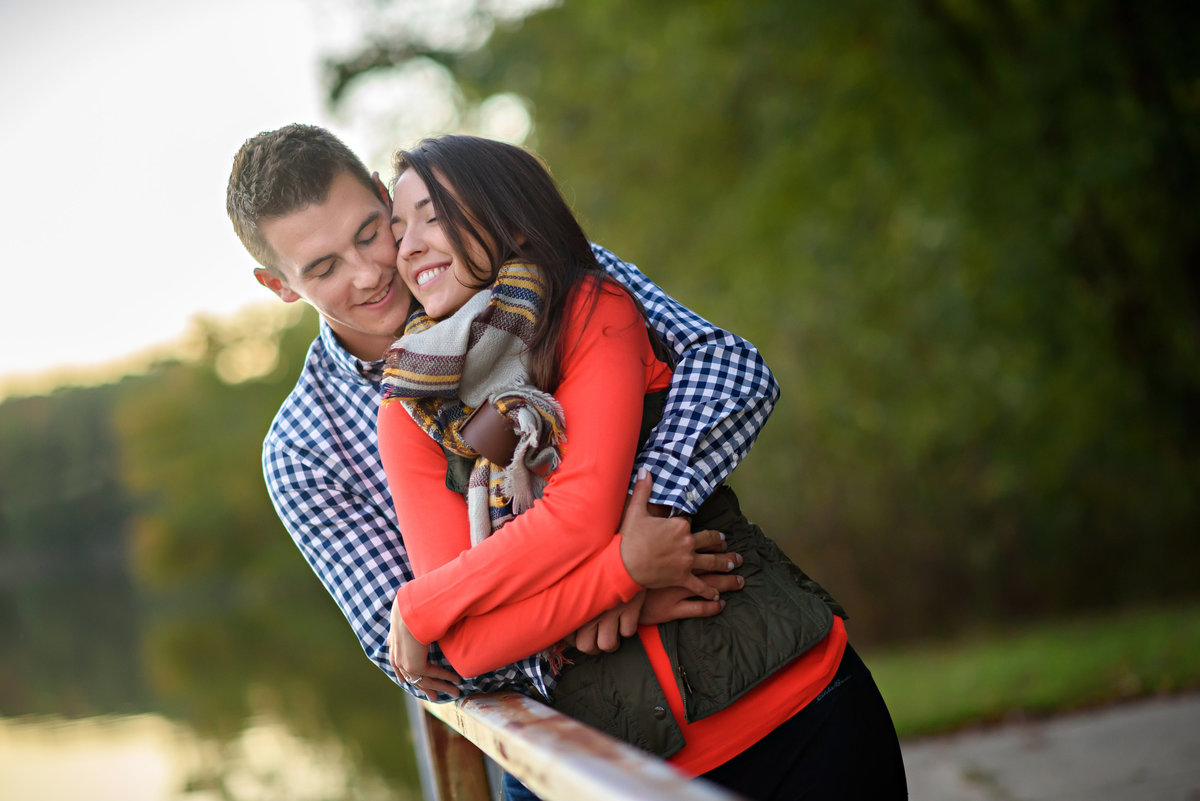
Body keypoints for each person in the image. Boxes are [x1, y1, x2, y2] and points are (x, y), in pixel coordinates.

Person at [377, 135, 908, 801]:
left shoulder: (591, 307)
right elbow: (477, 646)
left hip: (804, 714)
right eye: (399, 230)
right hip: (620, 778)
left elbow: (581, 514)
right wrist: (625, 572)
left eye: (432, 214)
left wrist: (419, 602)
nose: (410, 245)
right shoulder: (407, 413)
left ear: (510, 219)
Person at [223, 124, 779, 760]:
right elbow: (431, 660)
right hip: (563, 748)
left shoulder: (532, 269)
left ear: (385, 197)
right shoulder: (303, 451)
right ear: (280, 286)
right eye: (323, 268)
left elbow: (728, 368)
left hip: (734, 665)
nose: (371, 271)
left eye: (371, 232)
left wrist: (641, 513)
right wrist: (619, 583)